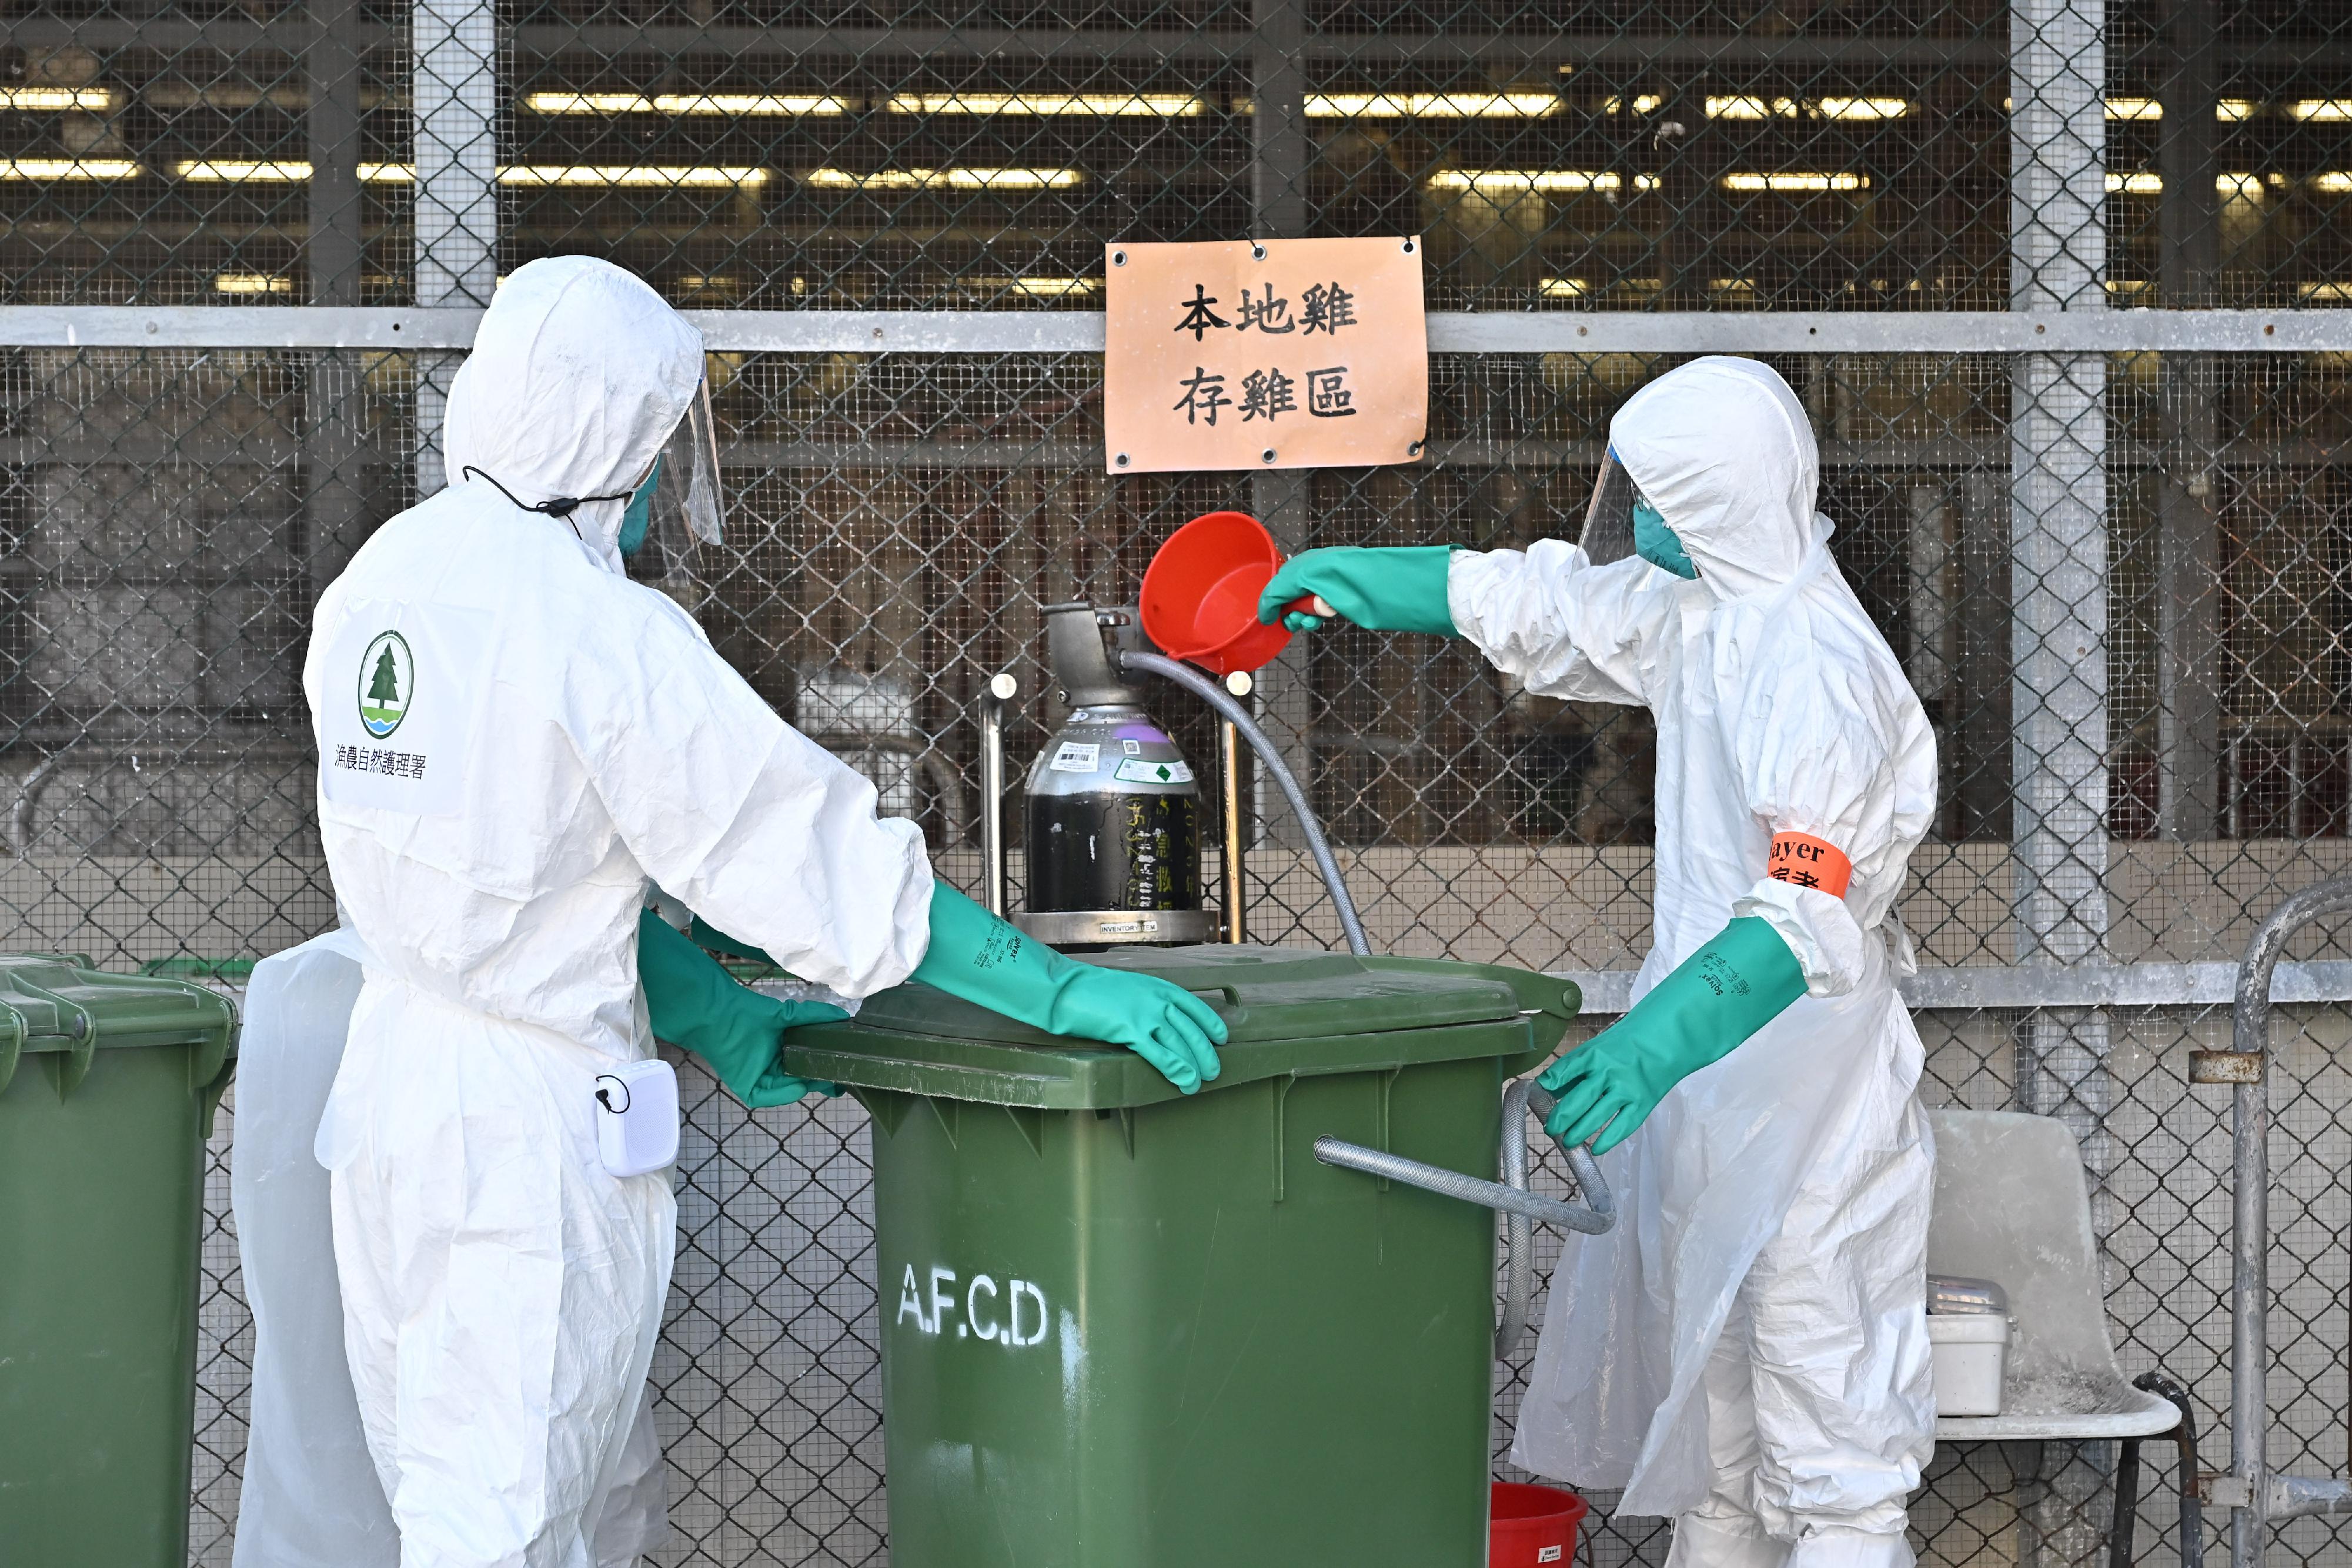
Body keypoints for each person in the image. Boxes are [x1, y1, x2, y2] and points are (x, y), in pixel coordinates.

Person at [292, 254, 1225, 1568]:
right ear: (610, 428)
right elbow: (813, 853)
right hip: (524, 1150)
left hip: (394, 1097)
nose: (666, 483)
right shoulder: (595, 627)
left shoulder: (381, 582)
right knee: (496, 1523)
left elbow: (509, 892)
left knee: (521, 1491)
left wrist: (718, 1013)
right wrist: (1063, 986)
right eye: (662, 444)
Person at [1259, 355, 1939, 1568]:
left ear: (1720, 501)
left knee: (1822, 1394)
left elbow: (1800, 914)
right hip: (1708, 1073)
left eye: (1656, 497)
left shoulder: (1817, 669)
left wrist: (1648, 1042)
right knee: (1711, 1403)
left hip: (1804, 1082)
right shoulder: (1706, 608)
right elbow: (1552, 602)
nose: (1632, 518)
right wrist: (1362, 582)